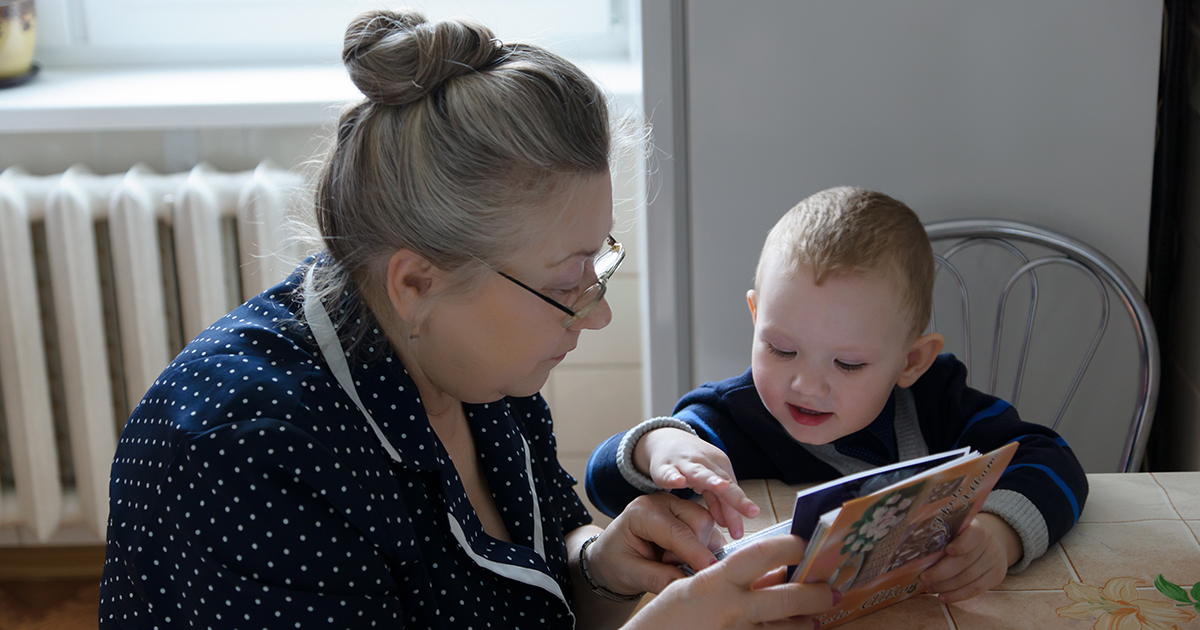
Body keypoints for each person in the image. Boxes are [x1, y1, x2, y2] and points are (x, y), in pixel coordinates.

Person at [98, 10, 838, 630]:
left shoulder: (472, 361)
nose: (598, 312)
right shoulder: (243, 464)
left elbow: (534, 577)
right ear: (416, 280)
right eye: (567, 284)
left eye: (596, 268)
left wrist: (601, 567)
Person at [586, 186, 1088, 604]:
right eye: (781, 350)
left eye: (847, 364)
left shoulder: (938, 402)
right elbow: (605, 487)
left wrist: (1002, 532)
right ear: (756, 317)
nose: (806, 384)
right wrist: (658, 448)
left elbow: (1052, 459)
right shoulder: (731, 415)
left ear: (911, 361)